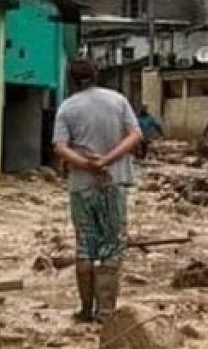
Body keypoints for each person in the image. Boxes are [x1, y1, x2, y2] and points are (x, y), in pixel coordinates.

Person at [53, 59, 143, 323]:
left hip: (82, 186)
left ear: (71, 79)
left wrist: (86, 165)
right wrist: (107, 160)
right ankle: (106, 313)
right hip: (114, 182)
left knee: (85, 245)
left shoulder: (67, 107)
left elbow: (60, 147)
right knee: (112, 246)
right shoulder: (118, 100)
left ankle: (85, 310)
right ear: (96, 76)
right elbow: (135, 135)